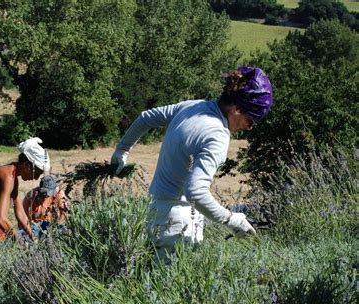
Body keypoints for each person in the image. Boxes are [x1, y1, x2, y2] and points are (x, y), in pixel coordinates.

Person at [111, 66, 273, 262]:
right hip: (179, 224)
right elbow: (195, 191)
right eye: (251, 120)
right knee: (172, 290)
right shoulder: (218, 135)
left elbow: (145, 117)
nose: (249, 128)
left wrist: (122, 149)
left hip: (153, 213)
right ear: (237, 109)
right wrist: (232, 219)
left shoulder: (192, 106)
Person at [19, 175, 70, 240]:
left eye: (49, 192)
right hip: (35, 226)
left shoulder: (59, 194)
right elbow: (22, 219)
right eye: (44, 192)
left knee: (64, 232)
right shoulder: (30, 197)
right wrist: (30, 235)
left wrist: (55, 229)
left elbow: (63, 213)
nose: (46, 195)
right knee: (22, 235)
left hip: (53, 224)